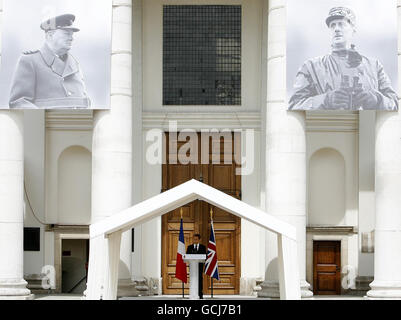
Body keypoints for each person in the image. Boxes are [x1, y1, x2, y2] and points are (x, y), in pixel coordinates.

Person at [288, 7, 398, 111]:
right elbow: (294, 106)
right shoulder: (311, 67)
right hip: (329, 128)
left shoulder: (374, 66)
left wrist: (377, 100)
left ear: (353, 30)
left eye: (341, 24)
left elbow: (395, 104)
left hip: (366, 127)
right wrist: (326, 100)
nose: (336, 29)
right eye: (332, 25)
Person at [9, 14, 91, 109]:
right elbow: (19, 103)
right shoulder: (30, 61)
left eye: (72, 34)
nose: (72, 38)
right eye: (66, 34)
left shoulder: (74, 64)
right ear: (50, 35)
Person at [186, 233, 206, 299]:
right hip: (192, 267)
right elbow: (187, 256)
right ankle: (192, 293)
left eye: (196, 239)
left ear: (199, 240)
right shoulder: (189, 247)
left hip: (199, 266)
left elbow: (204, 256)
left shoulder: (203, 247)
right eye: (194, 239)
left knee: (200, 279)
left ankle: (200, 294)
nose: (195, 240)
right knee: (192, 279)